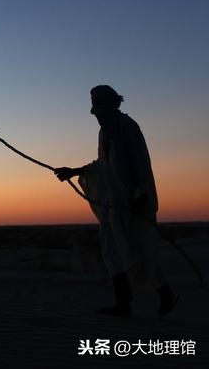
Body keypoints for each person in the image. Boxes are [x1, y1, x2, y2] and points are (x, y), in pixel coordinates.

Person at [54, 85, 178, 318]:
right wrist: (75, 171)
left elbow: (141, 166)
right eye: (93, 103)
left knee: (139, 251)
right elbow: (104, 165)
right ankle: (123, 304)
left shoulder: (128, 128)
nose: (95, 110)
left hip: (133, 203)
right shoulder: (106, 133)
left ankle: (165, 294)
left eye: (98, 103)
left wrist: (139, 196)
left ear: (112, 104)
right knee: (113, 250)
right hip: (115, 204)